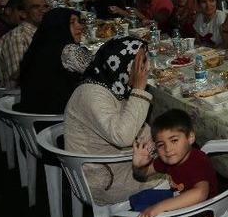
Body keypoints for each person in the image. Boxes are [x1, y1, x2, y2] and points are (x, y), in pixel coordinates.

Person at [64, 37, 162, 206]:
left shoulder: (112, 86)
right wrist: (139, 89)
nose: (146, 68)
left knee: (178, 155)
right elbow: (123, 136)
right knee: (179, 172)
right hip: (103, 179)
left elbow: (136, 127)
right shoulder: (92, 95)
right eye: (141, 62)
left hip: (114, 163)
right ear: (123, 63)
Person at [129, 109, 219, 217]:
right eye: (161, 144)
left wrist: (158, 208)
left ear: (190, 137)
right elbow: (141, 175)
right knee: (140, 198)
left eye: (174, 140)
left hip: (198, 216)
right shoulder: (168, 159)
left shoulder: (198, 160)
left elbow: (200, 193)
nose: (167, 149)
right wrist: (138, 166)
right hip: (179, 197)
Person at [17, 8, 91, 114]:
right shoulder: (68, 51)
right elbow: (99, 71)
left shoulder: (39, 46)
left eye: (78, 21)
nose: (80, 26)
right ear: (59, 26)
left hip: (33, 116)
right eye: (71, 22)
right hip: (57, 119)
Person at [0, 0, 48, 88]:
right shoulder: (17, 37)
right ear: (23, 14)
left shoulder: (43, 33)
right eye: (35, 7)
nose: (43, 10)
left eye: (45, 6)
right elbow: (18, 74)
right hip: (20, 95)